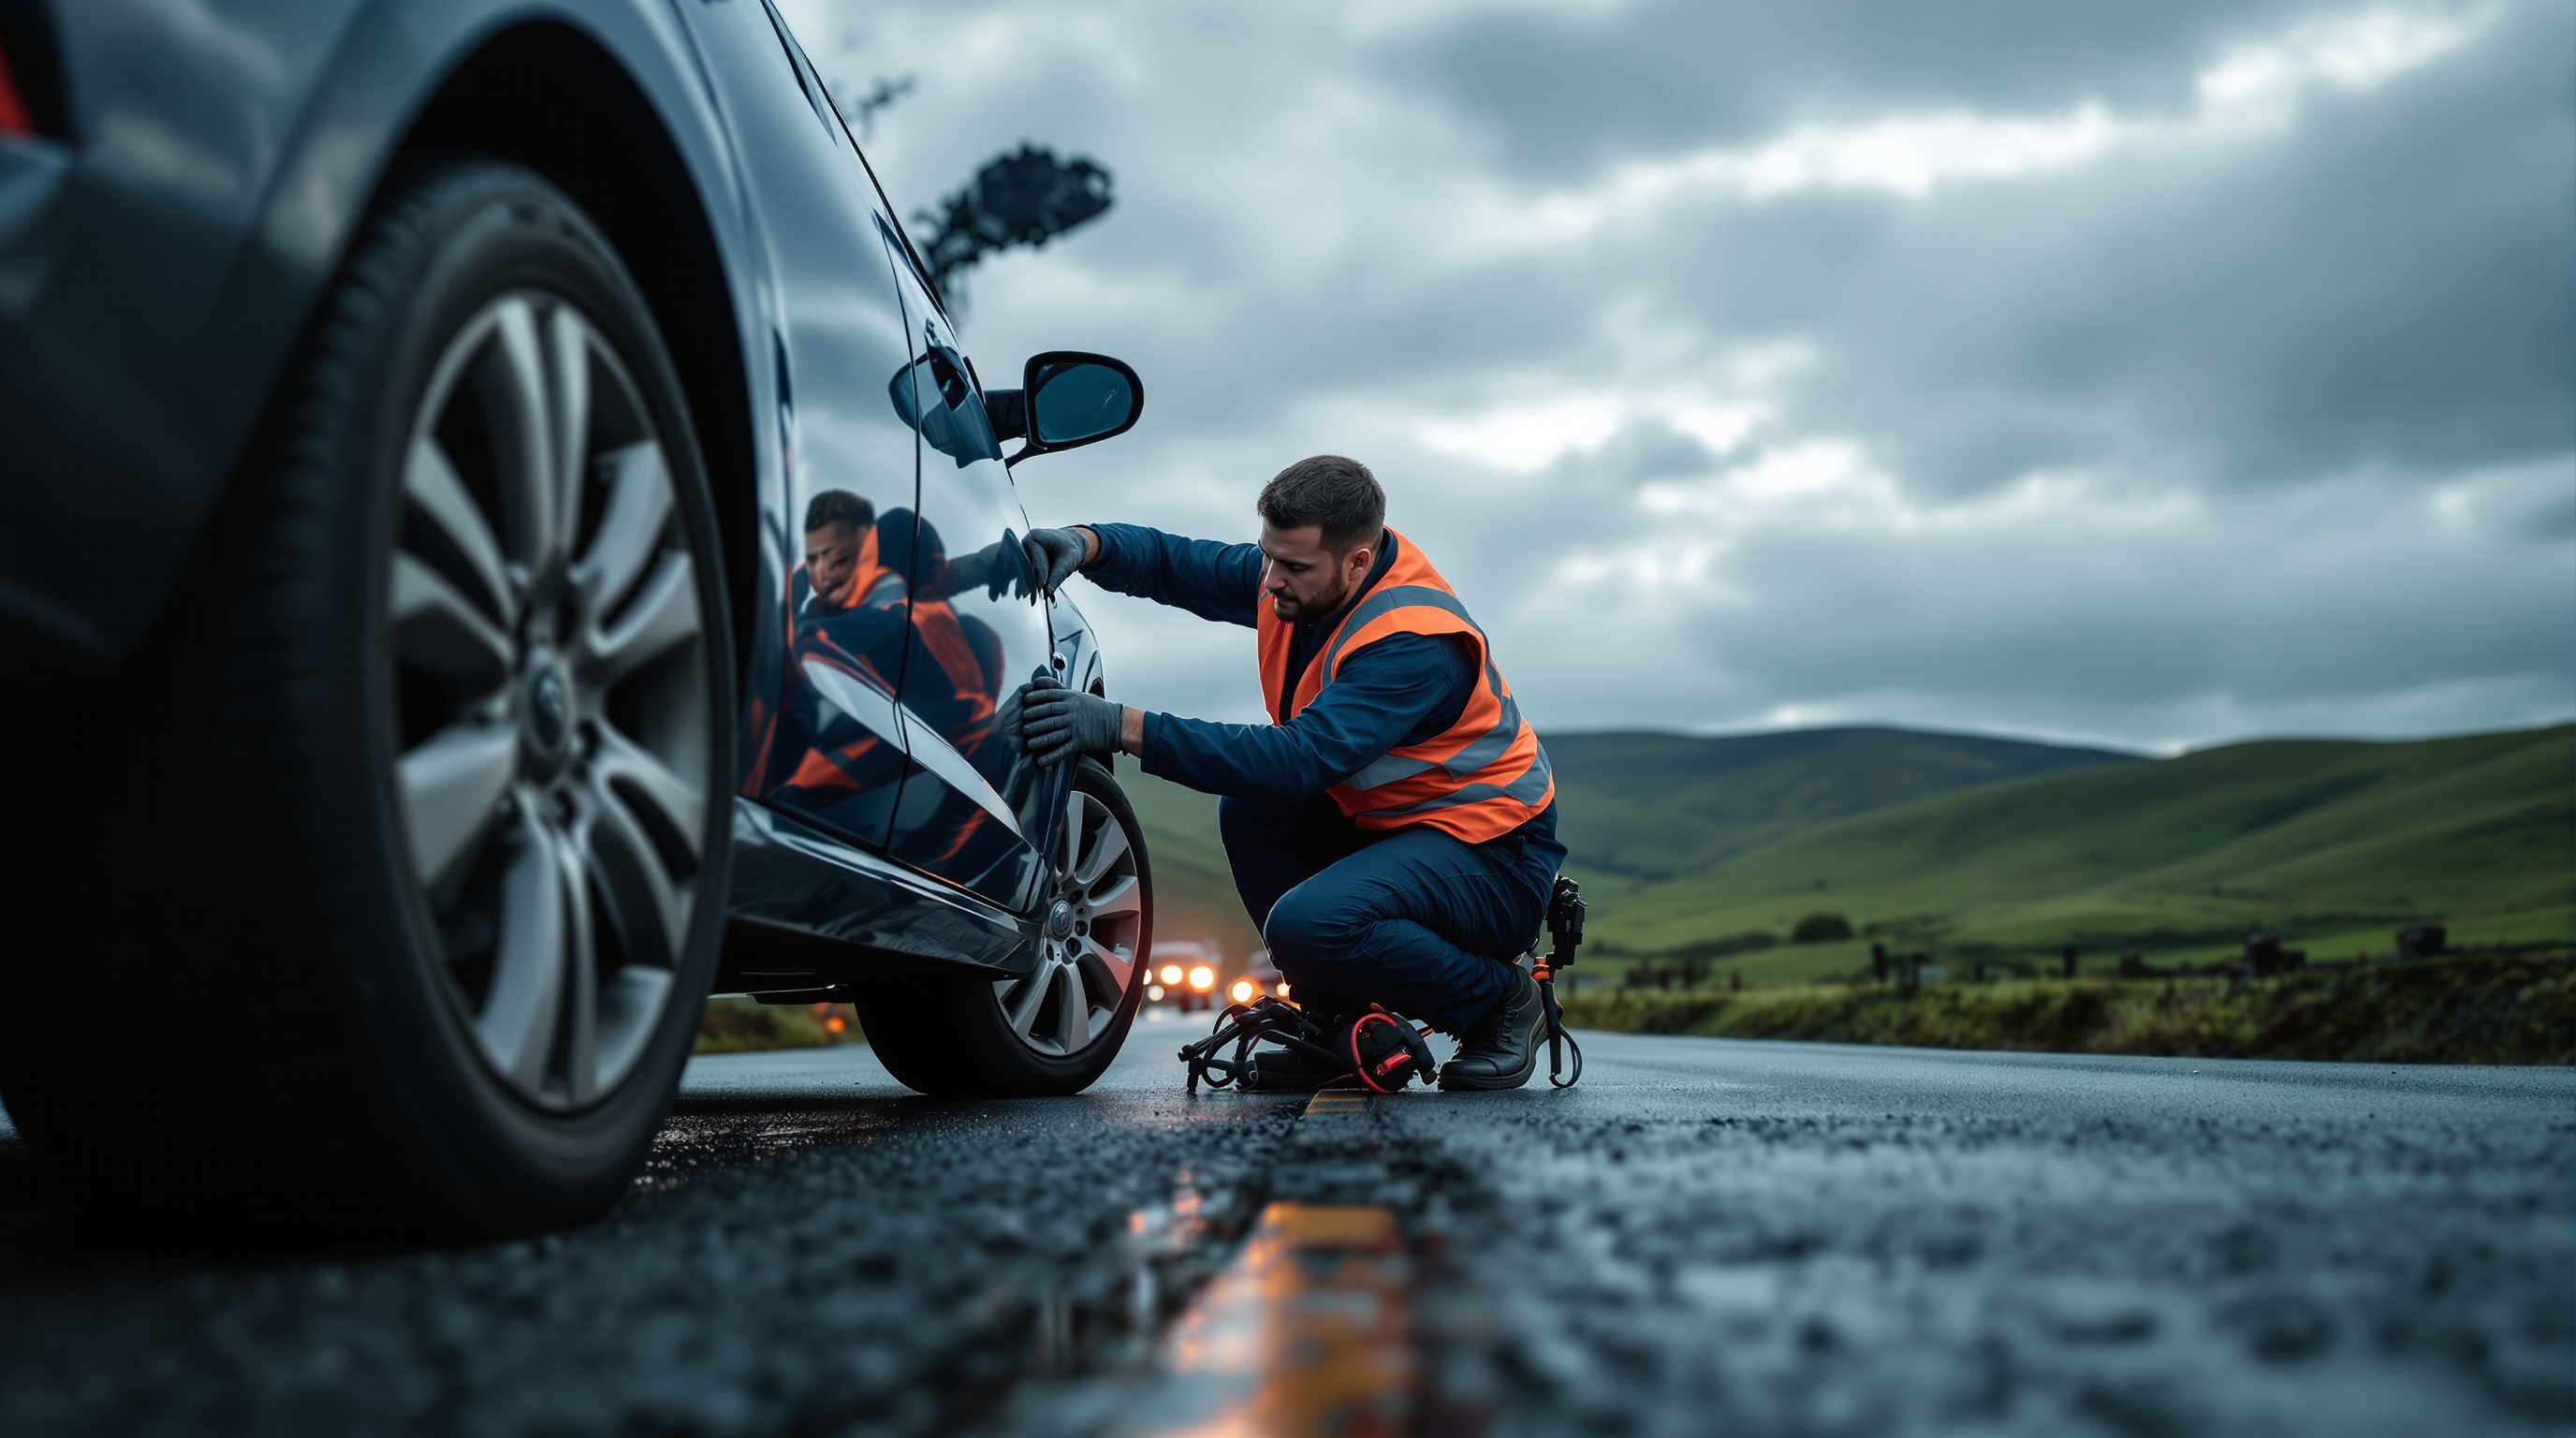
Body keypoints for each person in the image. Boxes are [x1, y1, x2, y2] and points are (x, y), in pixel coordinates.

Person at [1015, 456, 1563, 1091]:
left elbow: (1295, 762)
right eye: (1267, 556)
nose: (1271, 580)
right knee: (1251, 811)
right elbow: (1173, 562)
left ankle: (1499, 1001)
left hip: (1494, 859)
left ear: (1356, 562)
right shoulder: (1297, 577)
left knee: (1308, 926)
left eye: (1294, 567)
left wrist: (1120, 725)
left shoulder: (1412, 644)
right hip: (1405, 832)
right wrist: (1088, 543)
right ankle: (1340, 1025)